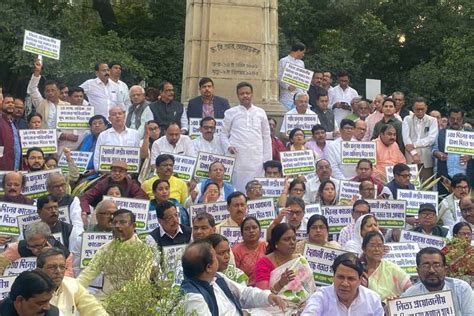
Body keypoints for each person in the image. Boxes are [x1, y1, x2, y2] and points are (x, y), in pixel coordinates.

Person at [181, 240, 286, 315]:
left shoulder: (218, 278)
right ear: (209, 267)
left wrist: (267, 297)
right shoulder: (193, 298)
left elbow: (244, 294)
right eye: (215, 255)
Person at [77, 209, 151, 299]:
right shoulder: (105, 249)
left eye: (123, 222)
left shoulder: (143, 250)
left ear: (133, 226)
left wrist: (116, 301)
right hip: (105, 298)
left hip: (131, 301)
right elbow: (88, 273)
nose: (117, 226)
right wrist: (73, 289)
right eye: (114, 222)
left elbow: (140, 282)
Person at [220, 82, 272, 192]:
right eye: (242, 93)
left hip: (256, 159)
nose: (245, 96)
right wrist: (228, 146)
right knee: (238, 190)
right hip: (238, 157)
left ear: (252, 94)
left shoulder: (260, 112)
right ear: (237, 95)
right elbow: (223, 134)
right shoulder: (230, 112)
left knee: (256, 189)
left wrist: (267, 160)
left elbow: (266, 137)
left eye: (247, 93)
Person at [254, 223, 316, 312]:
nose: (292, 242)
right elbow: (262, 297)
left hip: (302, 308)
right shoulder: (264, 263)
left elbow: (311, 290)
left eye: (294, 239)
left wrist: (305, 305)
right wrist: (280, 284)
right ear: (276, 243)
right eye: (286, 239)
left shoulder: (300, 261)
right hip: (274, 308)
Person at [301, 253, 384, 315]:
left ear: (360, 279)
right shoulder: (321, 297)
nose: (345, 283)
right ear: (333, 276)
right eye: (340, 277)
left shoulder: (373, 299)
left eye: (351, 279)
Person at [403, 247, 474, 315]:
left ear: (445, 270)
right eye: (426, 266)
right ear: (418, 271)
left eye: (437, 265)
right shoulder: (409, 295)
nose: (431, 270)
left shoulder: (461, 289)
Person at [37, 247, 108, 316]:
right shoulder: (31, 290)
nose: (58, 271)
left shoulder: (72, 285)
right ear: (39, 270)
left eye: (62, 267)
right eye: (52, 267)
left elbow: (94, 310)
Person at [0, 222, 73, 276]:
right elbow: (1, 261)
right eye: (31, 246)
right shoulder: (19, 247)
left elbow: (68, 277)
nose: (35, 250)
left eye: (38, 245)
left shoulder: (63, 253)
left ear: (47, 239)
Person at [79, 160, 147, 216]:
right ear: (110, 172)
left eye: (120, 171)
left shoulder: (131, 184)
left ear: (126, 173)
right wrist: (85, 212)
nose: (117, 173)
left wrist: (126, 203)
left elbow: (143, 197)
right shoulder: (103, 183)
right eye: (114, 171)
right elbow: (85, 197)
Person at [433, 107, 473, 196]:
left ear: (462, 119)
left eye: (458, 119)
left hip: (466, 178)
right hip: (446, 177)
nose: (455, 121)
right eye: (452, 119)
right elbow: (434, 149)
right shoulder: (441, 133)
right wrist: (438, 154)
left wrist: (470, 156)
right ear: (448, 118)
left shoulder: (471, 134)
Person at [361, 231, 411, 302]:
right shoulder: (359, 270)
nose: (377, 249)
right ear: (364, 249)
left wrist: (399, 300)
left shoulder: (391, 268)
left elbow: (410, 289)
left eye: (380, 246)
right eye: (372, 245)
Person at [402, 97, 438, 181]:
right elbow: (406, 139)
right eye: (417, 109)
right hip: (410, 156)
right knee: (410, 184)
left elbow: (431, 139)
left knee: (427, 185)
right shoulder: (407, 119)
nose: (420, 111)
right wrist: (414, 153)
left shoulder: (432, 120)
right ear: (413, 109)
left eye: (422, 109)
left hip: (426, 158)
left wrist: (414, 145)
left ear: (426, 108)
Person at [93, 105, 140, 170]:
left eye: (120, 114)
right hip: (107, 175)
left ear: (124, 116)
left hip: (129, 175)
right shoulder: (103, 135)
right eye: (114, 114)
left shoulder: (135, 134)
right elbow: (96, 159)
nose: (117, 116)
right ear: (109, 119)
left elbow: (138, 157)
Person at [27, 60, 69, 129]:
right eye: (47, 91)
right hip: (45, 138)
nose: (50, 93)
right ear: (44, 93)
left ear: (58, 91)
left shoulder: (67, 106)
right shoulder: (41, 103)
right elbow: (32, 89)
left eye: (53, 90)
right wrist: (37, 72)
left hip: (61, 139)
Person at [232, 217, 266, 286]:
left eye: (254, 227)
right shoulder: (236, 251)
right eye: (247, 229)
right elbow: (234, 275)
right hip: (246, 289)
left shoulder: (266, 246)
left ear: (260, 231)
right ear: (241, 233)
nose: (251, 231)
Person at [278, 42, 306, 110]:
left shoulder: (301, 63)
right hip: (287, 96)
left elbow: (304, 79)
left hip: (299, 96)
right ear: (298, 51)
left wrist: (304, 93)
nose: (303, 55)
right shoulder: (283, 61)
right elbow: (279, 77)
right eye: (303, 52)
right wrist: (287, 86)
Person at [0, 94, 22, 170]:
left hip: (16, 167)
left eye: (12, 103)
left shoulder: (14, 123)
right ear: (1, 104)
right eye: (7, 102)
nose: (10, 104)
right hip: (3, 167)